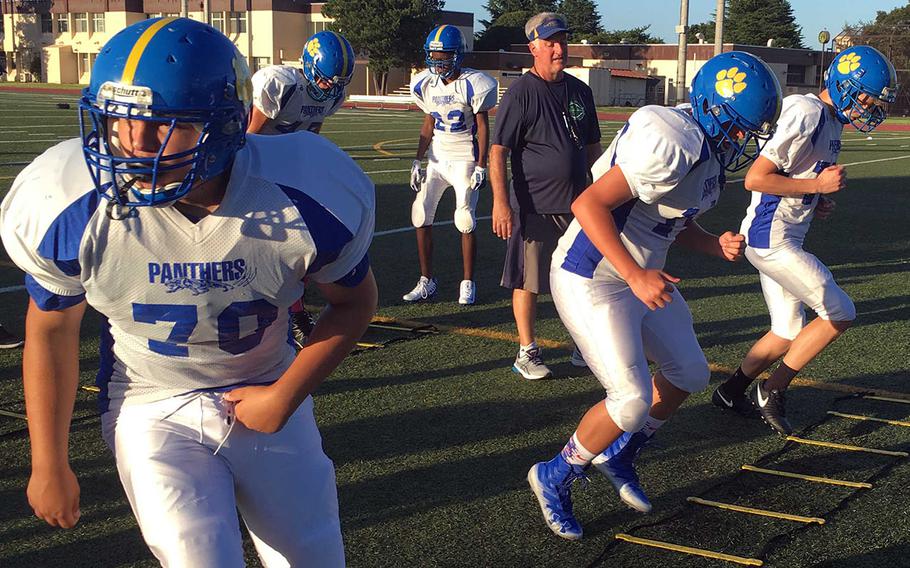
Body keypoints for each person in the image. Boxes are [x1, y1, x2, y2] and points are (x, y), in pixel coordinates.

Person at [1, 17, 376, 567]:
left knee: (313, 559)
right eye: (118, 121)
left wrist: (285, 394)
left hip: (266, 385)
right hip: (149, 402)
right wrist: (48, 461)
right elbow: (52, 326)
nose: (134, 144)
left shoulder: (300, 195)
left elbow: (355, 301)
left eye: (162, 124)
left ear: (225, 124)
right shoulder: (69, 202)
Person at [527, 51, 782, 540]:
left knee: (688, 372)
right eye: (737, 126)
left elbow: (668, 220)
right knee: (629, 401)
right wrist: (636, 275)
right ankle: (555, 474)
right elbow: (588, 204)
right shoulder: (671, 139)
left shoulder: (703, 143)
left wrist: (711, 243)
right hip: (593, 275)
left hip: (642, 277)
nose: (743, 139)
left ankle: (621, 455)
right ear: (709, 109)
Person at [712, 46, 898, 435]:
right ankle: (773, 388)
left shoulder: (830, 119)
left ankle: (730, 392)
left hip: (782, 234)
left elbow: (793, 175)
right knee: (840, 313)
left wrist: (815, 198)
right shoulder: (807, 111)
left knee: (786, 331)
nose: (869, 107)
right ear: (846, 85)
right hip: (772, 239)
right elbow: (756, 178)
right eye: (866, 97)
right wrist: (815, 184)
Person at [490, 12, 602, 379]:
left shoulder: (580, 91)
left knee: (581, 279)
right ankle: (527, 351)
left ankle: (580, 346)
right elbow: (498, 150)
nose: (559, 48)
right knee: (528, 280)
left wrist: (602, 195)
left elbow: (592, 150)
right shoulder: (521, 92)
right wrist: (501, 203)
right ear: (533, 48)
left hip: (579, 206)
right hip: (534, 206)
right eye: (550, 41)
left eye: (562, 40)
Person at [248, 30, 357, 347]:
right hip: (256, 169)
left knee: (300, 248)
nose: (330, 88)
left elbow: (311, 139)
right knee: (264, 250)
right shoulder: (281, 84)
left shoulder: (331, 95)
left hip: (286, 172)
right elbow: (248, 137)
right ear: (309, 67)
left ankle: (293, 315)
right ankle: (286, 317)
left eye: (336, 82)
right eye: (325, 80)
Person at [403, 25, 498, 305]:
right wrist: (417, 160)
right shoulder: (425, 84)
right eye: (433, 56)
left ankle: (467, 282)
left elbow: (482, 126)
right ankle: (426, 281)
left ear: (456, 55)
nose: (436, 62)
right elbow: (428, 121)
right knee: (420, 213)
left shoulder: (473, 83)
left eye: (442, 56)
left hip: (464, 158)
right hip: (437, 157)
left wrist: (482, 164)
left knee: (464, 218)